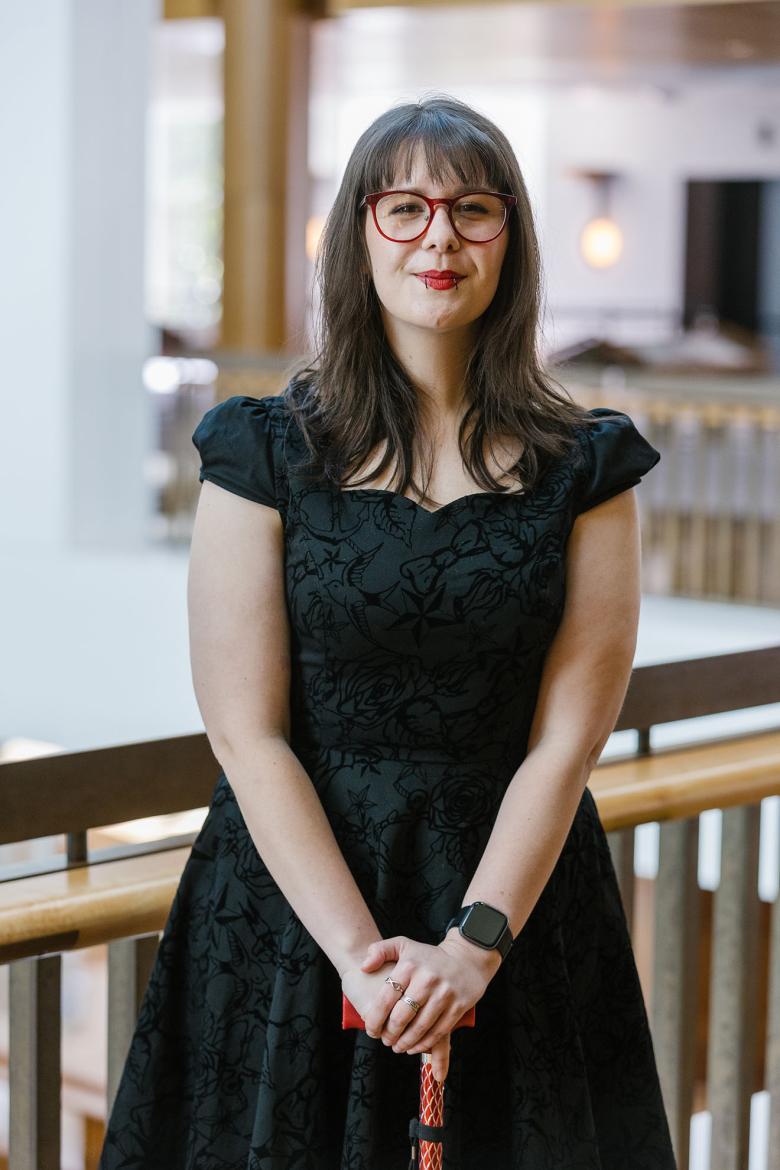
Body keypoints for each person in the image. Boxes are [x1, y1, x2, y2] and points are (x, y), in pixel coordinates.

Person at [99, 94, 677, 1170]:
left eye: (472, 209)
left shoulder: (587, 467)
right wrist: (362, 960)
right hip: (296, 910)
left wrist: (474, 950)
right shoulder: (263, 450)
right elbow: (246, 733)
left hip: (513, 907)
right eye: (403, 207)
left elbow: (568, 740)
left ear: (512, 233)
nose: (439, 238)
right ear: (360, 232)